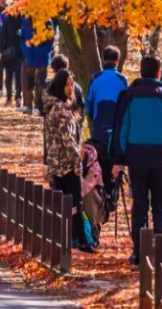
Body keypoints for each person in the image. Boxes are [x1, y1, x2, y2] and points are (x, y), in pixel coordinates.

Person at [112, 55, 162, 267]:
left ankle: (139, 253)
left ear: (141, 72)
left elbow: (122, 129)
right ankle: (159, 253)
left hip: (136, 157)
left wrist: (120, 158)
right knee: (161, 205)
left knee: (140, 206)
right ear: (159, 73)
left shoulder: (130, 96)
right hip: (161, 157)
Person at [43, 69, 95, 251]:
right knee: (75, 202)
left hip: (56, 163)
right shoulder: (62, 109)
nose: (71, 88)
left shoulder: (53, 106)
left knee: (66, 203)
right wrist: (77, 163)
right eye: (67, 85)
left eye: (72, 84)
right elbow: (68, 140)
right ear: (59, 86)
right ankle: (81, 239)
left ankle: (70, 236)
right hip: (65, 164)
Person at [85, 48, 130, 174]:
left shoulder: (95, 78)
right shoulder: (123, 80)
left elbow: (88, 104)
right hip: (117, 131)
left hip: (99, 128)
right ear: (117, 61)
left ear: (103, 59)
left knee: (98, 166)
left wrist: (92, 120)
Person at [18, 17, 55, 113]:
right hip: (30, 57)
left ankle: (38, 105)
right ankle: (29, 106)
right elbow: (22, 38)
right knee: (29, 82)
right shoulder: (26, 21)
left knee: (40, 82)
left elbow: (50, 40)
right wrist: (26, 50)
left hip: (42, 57)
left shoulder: (47, 21)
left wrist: (42, 51)